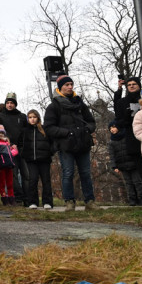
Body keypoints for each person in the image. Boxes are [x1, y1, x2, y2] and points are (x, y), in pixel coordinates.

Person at [44, 75, 97, 211]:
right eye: (67, 84)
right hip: (66, 145)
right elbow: (49, 128)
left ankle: (90, 202)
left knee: (85, 173)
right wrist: (67, 133)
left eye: (71, 84)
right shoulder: (53, 106)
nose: (70, 87)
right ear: (60, 87)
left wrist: (86, 130)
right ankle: (69, 202)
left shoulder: (80, 104)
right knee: (68, 173)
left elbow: (91, 122)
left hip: (83, 143)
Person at [113, 75, 142, 204]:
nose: (131, 86)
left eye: (134, 84)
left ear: (139, 85)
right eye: (129, 84)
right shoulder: (122, 102)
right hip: (133, 139)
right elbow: (118, 117)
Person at [0, 93, 28, 202]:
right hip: (8, 150)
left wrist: (23, 144)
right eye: (7, 103)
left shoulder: (21, 116)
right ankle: (18, 197)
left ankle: (28, 197)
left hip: (22, 149)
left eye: (12, 103)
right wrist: (6, 142)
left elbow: (26, 131)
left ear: (15, 104)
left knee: (26, 175)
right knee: (13, 175)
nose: (10, 105)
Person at [107, 120, 142, 206]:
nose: (112, 130)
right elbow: (112, 155)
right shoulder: (111, 142)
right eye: (110, 128)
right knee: (128, 183)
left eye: (113, 127)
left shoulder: (127, 137)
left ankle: (141, 198)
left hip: (133, 163)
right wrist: (114, 166)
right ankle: (132, 199)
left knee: (137, 182)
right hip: (122, 165)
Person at [20, 110, 55, 209]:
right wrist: (24, 153)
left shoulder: (44, 129)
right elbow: (20, 143)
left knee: (46, 180)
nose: (32, 119)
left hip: (44, 159)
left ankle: (47, 202)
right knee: (33, 180)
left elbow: (53, 143)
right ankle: (33, 202)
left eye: (34, 117)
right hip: (31, 160)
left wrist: (50, 152)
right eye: (30, 117)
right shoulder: (25, 131)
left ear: (38, 118)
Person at [0, 124, 20, 205]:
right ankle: (4, 198)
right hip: (1, 166)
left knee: (10, 183)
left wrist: (14, 149)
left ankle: (11, 198)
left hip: (9, 165)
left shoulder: (6, 142)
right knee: (2, 183)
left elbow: (11, 154)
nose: (1, 134)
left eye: (2, 133)